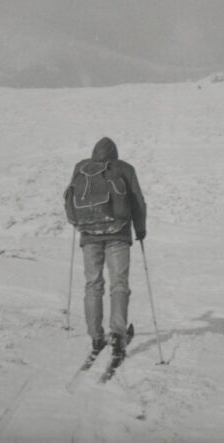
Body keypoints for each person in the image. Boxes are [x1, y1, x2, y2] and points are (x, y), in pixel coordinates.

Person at [65, 137, 146, 359]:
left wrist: (77, 223)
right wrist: (140, 230)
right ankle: (118, 337)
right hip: (118, 234)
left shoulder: (80, 168)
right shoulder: (125, 169)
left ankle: (95, 336)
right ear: (115, 153)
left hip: (89, 235)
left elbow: (70, 199)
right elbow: (138, 201)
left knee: (93, 284)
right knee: (118, 283)